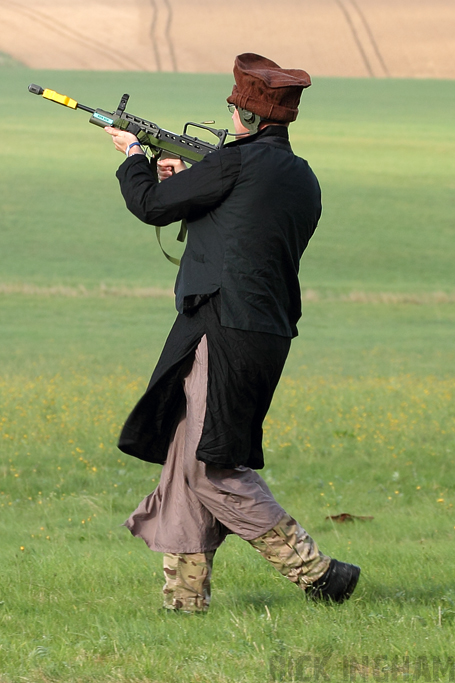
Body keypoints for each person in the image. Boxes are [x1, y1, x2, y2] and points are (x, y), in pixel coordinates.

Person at [105, 53, 360, 613]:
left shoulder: (233, 164)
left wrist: (132, 156)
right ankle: (184, 599)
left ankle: (319, 573)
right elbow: (241, 228)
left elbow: (149, 206)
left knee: (211, 464)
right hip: (263, 330)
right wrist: (186, 180)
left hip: (221, 324)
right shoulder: (301, 177)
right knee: (186, 459)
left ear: (244, 112)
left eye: (233, 106)